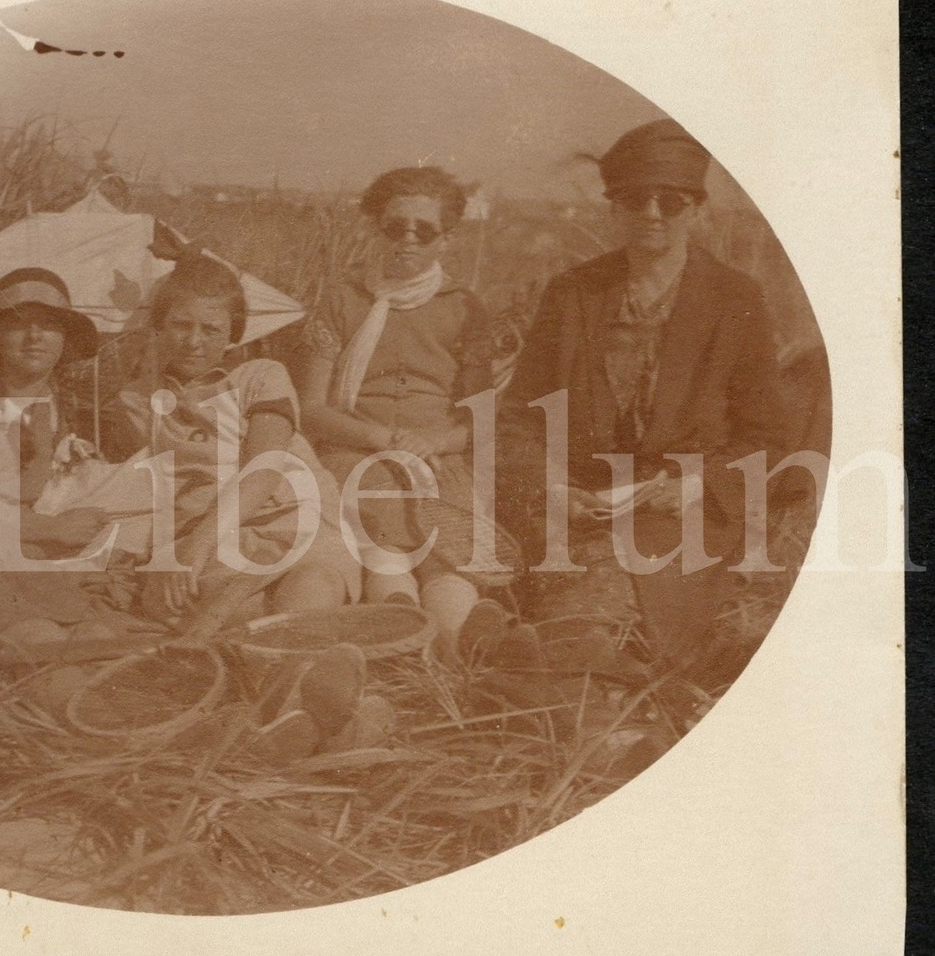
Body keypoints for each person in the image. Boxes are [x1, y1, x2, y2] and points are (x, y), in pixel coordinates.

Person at [498, 118, 790, 670]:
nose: (652, 214)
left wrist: (696, 483)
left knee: (611, 607)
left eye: (671, 202)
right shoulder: (572, 294)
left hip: (686, 509)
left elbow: (768, 436)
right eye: (635, 200)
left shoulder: (734, 298)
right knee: (571, 600)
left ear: (697, 210)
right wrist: (550, 488)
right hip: (580, 503)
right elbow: (516, 417)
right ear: (614, 208)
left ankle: (585, 678)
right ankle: (582, 680)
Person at [299, 166, 502, 658]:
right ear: (376, 229)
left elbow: (479, 419)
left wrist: (428, 443)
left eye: (424, 230)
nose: (407, 240)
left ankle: (461, 659)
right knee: (385, 551)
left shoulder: (465, 308)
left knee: (444, 563)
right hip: (356, 451)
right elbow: (311, 409)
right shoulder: (343, 299)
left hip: (439, 459)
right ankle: (401, 650)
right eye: (395, 227)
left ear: (446, 238)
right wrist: (384, 440)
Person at [102, 254, 359, 636]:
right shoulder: (137, 403)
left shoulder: (261, 376)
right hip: (215, 546)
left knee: (312, 586)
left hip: (291, 523)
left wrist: (197, 547)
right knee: (163, 598)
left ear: (232, 333)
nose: (194, 342)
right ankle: (271, 645)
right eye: (180, 325)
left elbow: (265, 470)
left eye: (211, 329)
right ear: (158, 327)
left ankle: (271, 646)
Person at [0, 267, 118, 639]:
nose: (35, 336)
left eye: (50, 325)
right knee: (32, 639)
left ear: (65, 338)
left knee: (91, 635)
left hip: (21, 541)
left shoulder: (53, 403)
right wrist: (54, 529)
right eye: (19, 324)